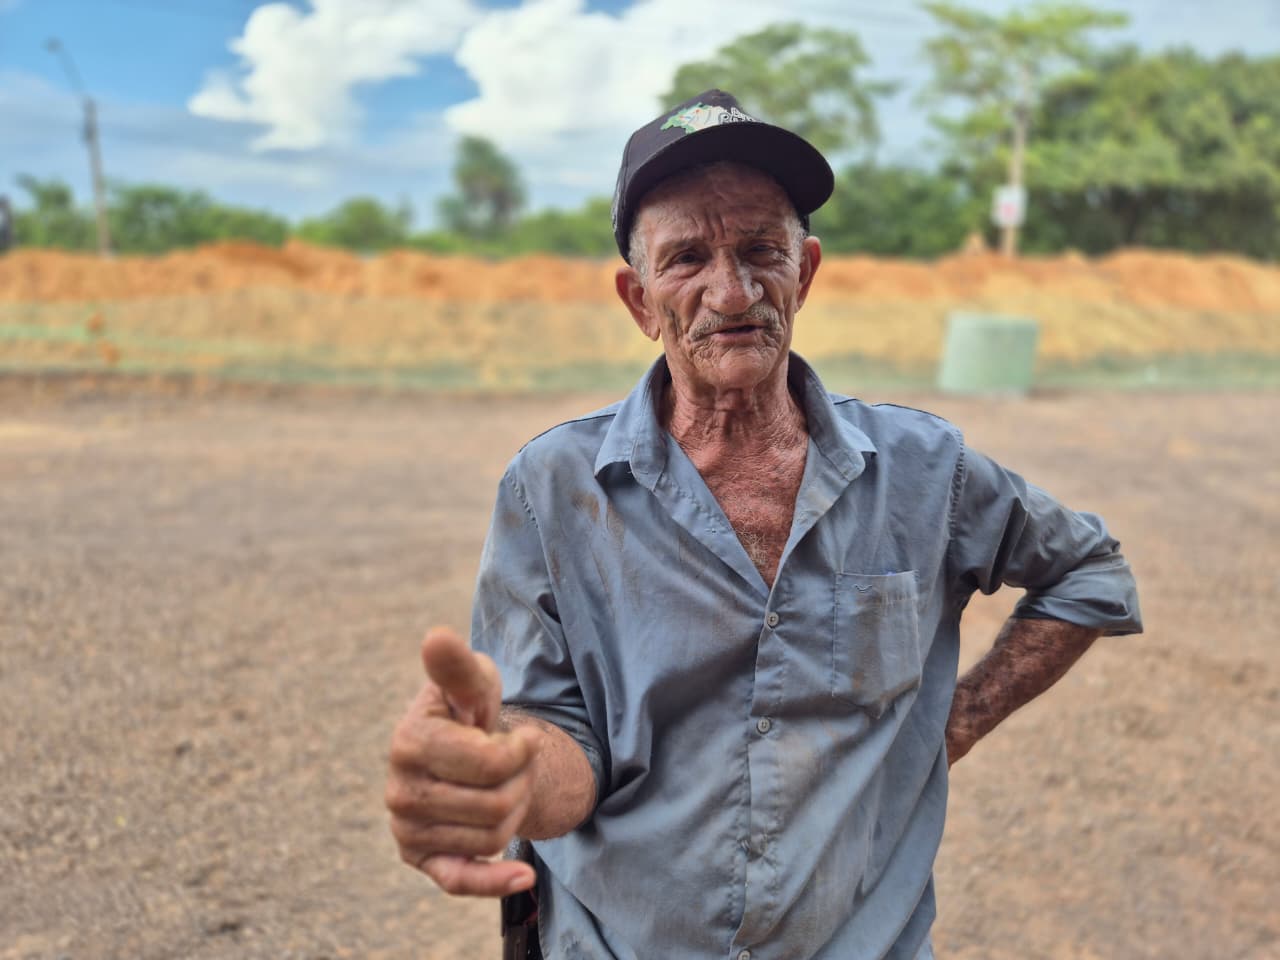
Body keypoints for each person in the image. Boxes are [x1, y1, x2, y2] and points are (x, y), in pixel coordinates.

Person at [385, 89, 1142, 960]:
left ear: (805, 273)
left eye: (759, 251)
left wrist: (955, 722)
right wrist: (506, 777)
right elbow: (559, 740)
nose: (732, 290)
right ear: (638, 300)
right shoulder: (552, 489)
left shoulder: (924, 469)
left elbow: (1091, 571)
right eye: (686, 260)